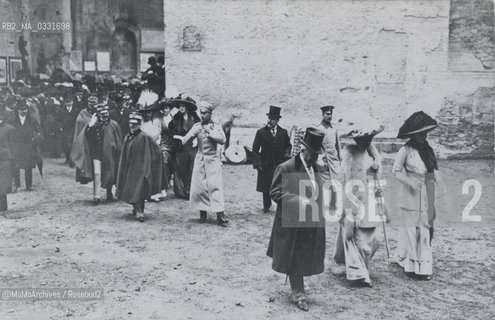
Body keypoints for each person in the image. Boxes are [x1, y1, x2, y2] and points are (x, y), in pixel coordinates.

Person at [267, 127, 326, 312]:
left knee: (304, 255)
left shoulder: (314, 167)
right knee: (294, 255)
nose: (314, 158)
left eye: (317, 154)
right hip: (291, 221)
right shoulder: (287, 167)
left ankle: (299, 290)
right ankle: (298, 294)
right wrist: (297, 199)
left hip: (309, 221)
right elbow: (275, 192)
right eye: (312, 154)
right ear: (304, 149)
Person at [333, 115, 387, 287]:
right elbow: (348, 179)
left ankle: (360, 267)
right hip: (353, 197)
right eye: (365, 138)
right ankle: (358, 273)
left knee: (373, 237)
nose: (367, 141)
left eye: (370, 138)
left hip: (368, 197)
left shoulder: (370, 151)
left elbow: (370, 174)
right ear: (357, 138)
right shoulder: (349, 152)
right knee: (356, 237)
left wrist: (375, 167)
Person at [393, 111, 440, 280]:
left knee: (425, 229)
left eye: (426, 133)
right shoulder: (405, 150)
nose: (424, 136)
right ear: (413, 135)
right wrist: (410, 182)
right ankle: (412, 266)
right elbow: (396, 171)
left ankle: (419, 264)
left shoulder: (428, 150)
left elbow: (432, 172)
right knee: (413, 230)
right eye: (420, 133)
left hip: (426, 194)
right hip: (410, 195)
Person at [175, 102, 228, 225]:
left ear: (210, 114)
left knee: (215, 186)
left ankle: (220, 215)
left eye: (205, 113)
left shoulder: (217, 127)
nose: (202, 115)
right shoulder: (197, 126)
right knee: (200, 188)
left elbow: (223, 140)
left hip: (213, 159)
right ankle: (202, 214)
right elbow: (184, 141)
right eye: (201, 113)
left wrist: (210, 132)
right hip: (200, 159)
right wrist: (191, 134)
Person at [116, 113, 163, 222]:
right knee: (131, 189)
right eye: (130, 124)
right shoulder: (127, 136)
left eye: (135, 124)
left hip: (140, 169)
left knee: (139, 190)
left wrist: (150, 163)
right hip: (129, 168)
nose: (132, 126)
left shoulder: (144, 137)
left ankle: (139, 211)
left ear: (139, 124)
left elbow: (157, 150)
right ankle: (135, 208)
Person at [252, 106, 291, 213]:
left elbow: (288, 145)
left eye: (273, 118)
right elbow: (255, 149)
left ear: (277, 120)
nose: (270, 120)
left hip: (279, 163)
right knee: (266, 186)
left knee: (280, 185)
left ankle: (281, 205)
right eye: (269, 118)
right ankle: (266, 206)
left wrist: (287, 153)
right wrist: (258, 164)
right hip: (266, 164)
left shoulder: (283, 132)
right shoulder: (261, 132)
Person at [82, 104, 123, 204]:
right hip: (97, 153)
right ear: (98, 114)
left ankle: (109, 192)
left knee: (110, 173)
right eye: (102, 113)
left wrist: (118, 152)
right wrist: (90, 125)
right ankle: (96, 196)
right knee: (97, 173)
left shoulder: (114, 124)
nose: (105, 115)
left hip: (110, 154)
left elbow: (119, 140)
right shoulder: (94, 124)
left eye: (106, 113)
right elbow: (87, 136)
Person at [168, 97, 200, 199]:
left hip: (192, 146)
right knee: (182, 169)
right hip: (180, 147)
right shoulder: (175, 118)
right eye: (180, 106)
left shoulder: (194, 117)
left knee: (192, 169)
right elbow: (170, 132)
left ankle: (191, 190)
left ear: (187, 107)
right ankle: (182, 191)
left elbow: (200, 129)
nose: (181, 108)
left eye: (183, 106)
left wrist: (197, 139)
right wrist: (177, 137)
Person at [315, 105, 343, 209]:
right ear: (322, 115)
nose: (329, 116)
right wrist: (318, 158)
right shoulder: (318, 128)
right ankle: (322, 203)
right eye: (327, 114)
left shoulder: (334, 128)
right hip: (323, 159)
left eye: (330, 114)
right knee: (324, 182)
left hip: (334, 159)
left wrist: (340, 157)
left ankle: (333, 203)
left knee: (336, 181)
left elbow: (338, 145)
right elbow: (316, 145)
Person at [9, 98, 40, 192]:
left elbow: (37, 131)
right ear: (18, 110)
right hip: (17, 146)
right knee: (15, 165)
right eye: (22, 109)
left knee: (28, 165)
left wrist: (35, 138)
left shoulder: (31, 119)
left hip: (29, 145)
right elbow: (10, 133)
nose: (24, 111)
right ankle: (16, 185)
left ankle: (29, 185)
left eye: (25, 109)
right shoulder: (13, 120)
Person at [71, 95, 98, 184]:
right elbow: (79, 124)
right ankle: (86, 176)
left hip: (97, 140)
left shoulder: (99, 113)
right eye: (90, 104)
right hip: (86, 140)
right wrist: (88, 125)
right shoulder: (83, 113)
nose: (92, 106)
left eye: (94, 104)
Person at [0, 104, 15, 211]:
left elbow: (14, 146)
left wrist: (14, 160)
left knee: (3, 183)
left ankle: (3, 207)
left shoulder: (9, 129)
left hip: (5, 159)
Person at [58, 93, 79, 167]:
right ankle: (67, 159)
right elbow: (58, 119)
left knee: (70, 144)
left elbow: (77, 120)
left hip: (72, 129)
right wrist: (60, 126)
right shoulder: (61, 110)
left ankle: (72, 161)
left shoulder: (76, 110)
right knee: (65, 145)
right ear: (65, 103)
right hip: (64, 129)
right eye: (67, 102)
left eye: (70, 102)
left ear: (72, 102)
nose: (68, 104)